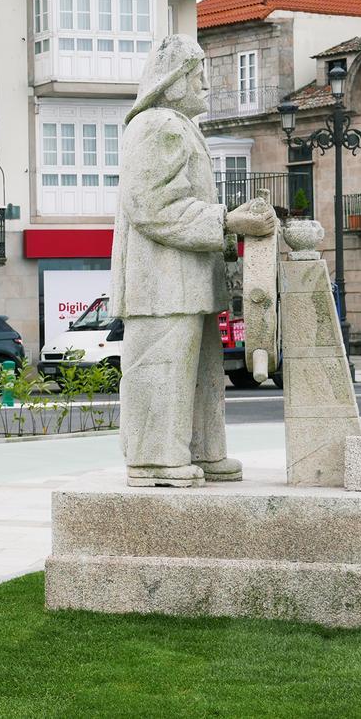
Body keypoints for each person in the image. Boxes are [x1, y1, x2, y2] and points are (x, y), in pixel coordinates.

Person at [110, 34, 276, 487]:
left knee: (202, 371)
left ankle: (201, 451)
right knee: (160, 370)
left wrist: (227, 223)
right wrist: (227, 219)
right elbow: (151, 206)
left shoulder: (181, 126)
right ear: (173, 80)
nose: (206, 83)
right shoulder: (155, 125)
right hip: (160, 282)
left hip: (187, 277)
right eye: (197, 73)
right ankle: (154, 460)